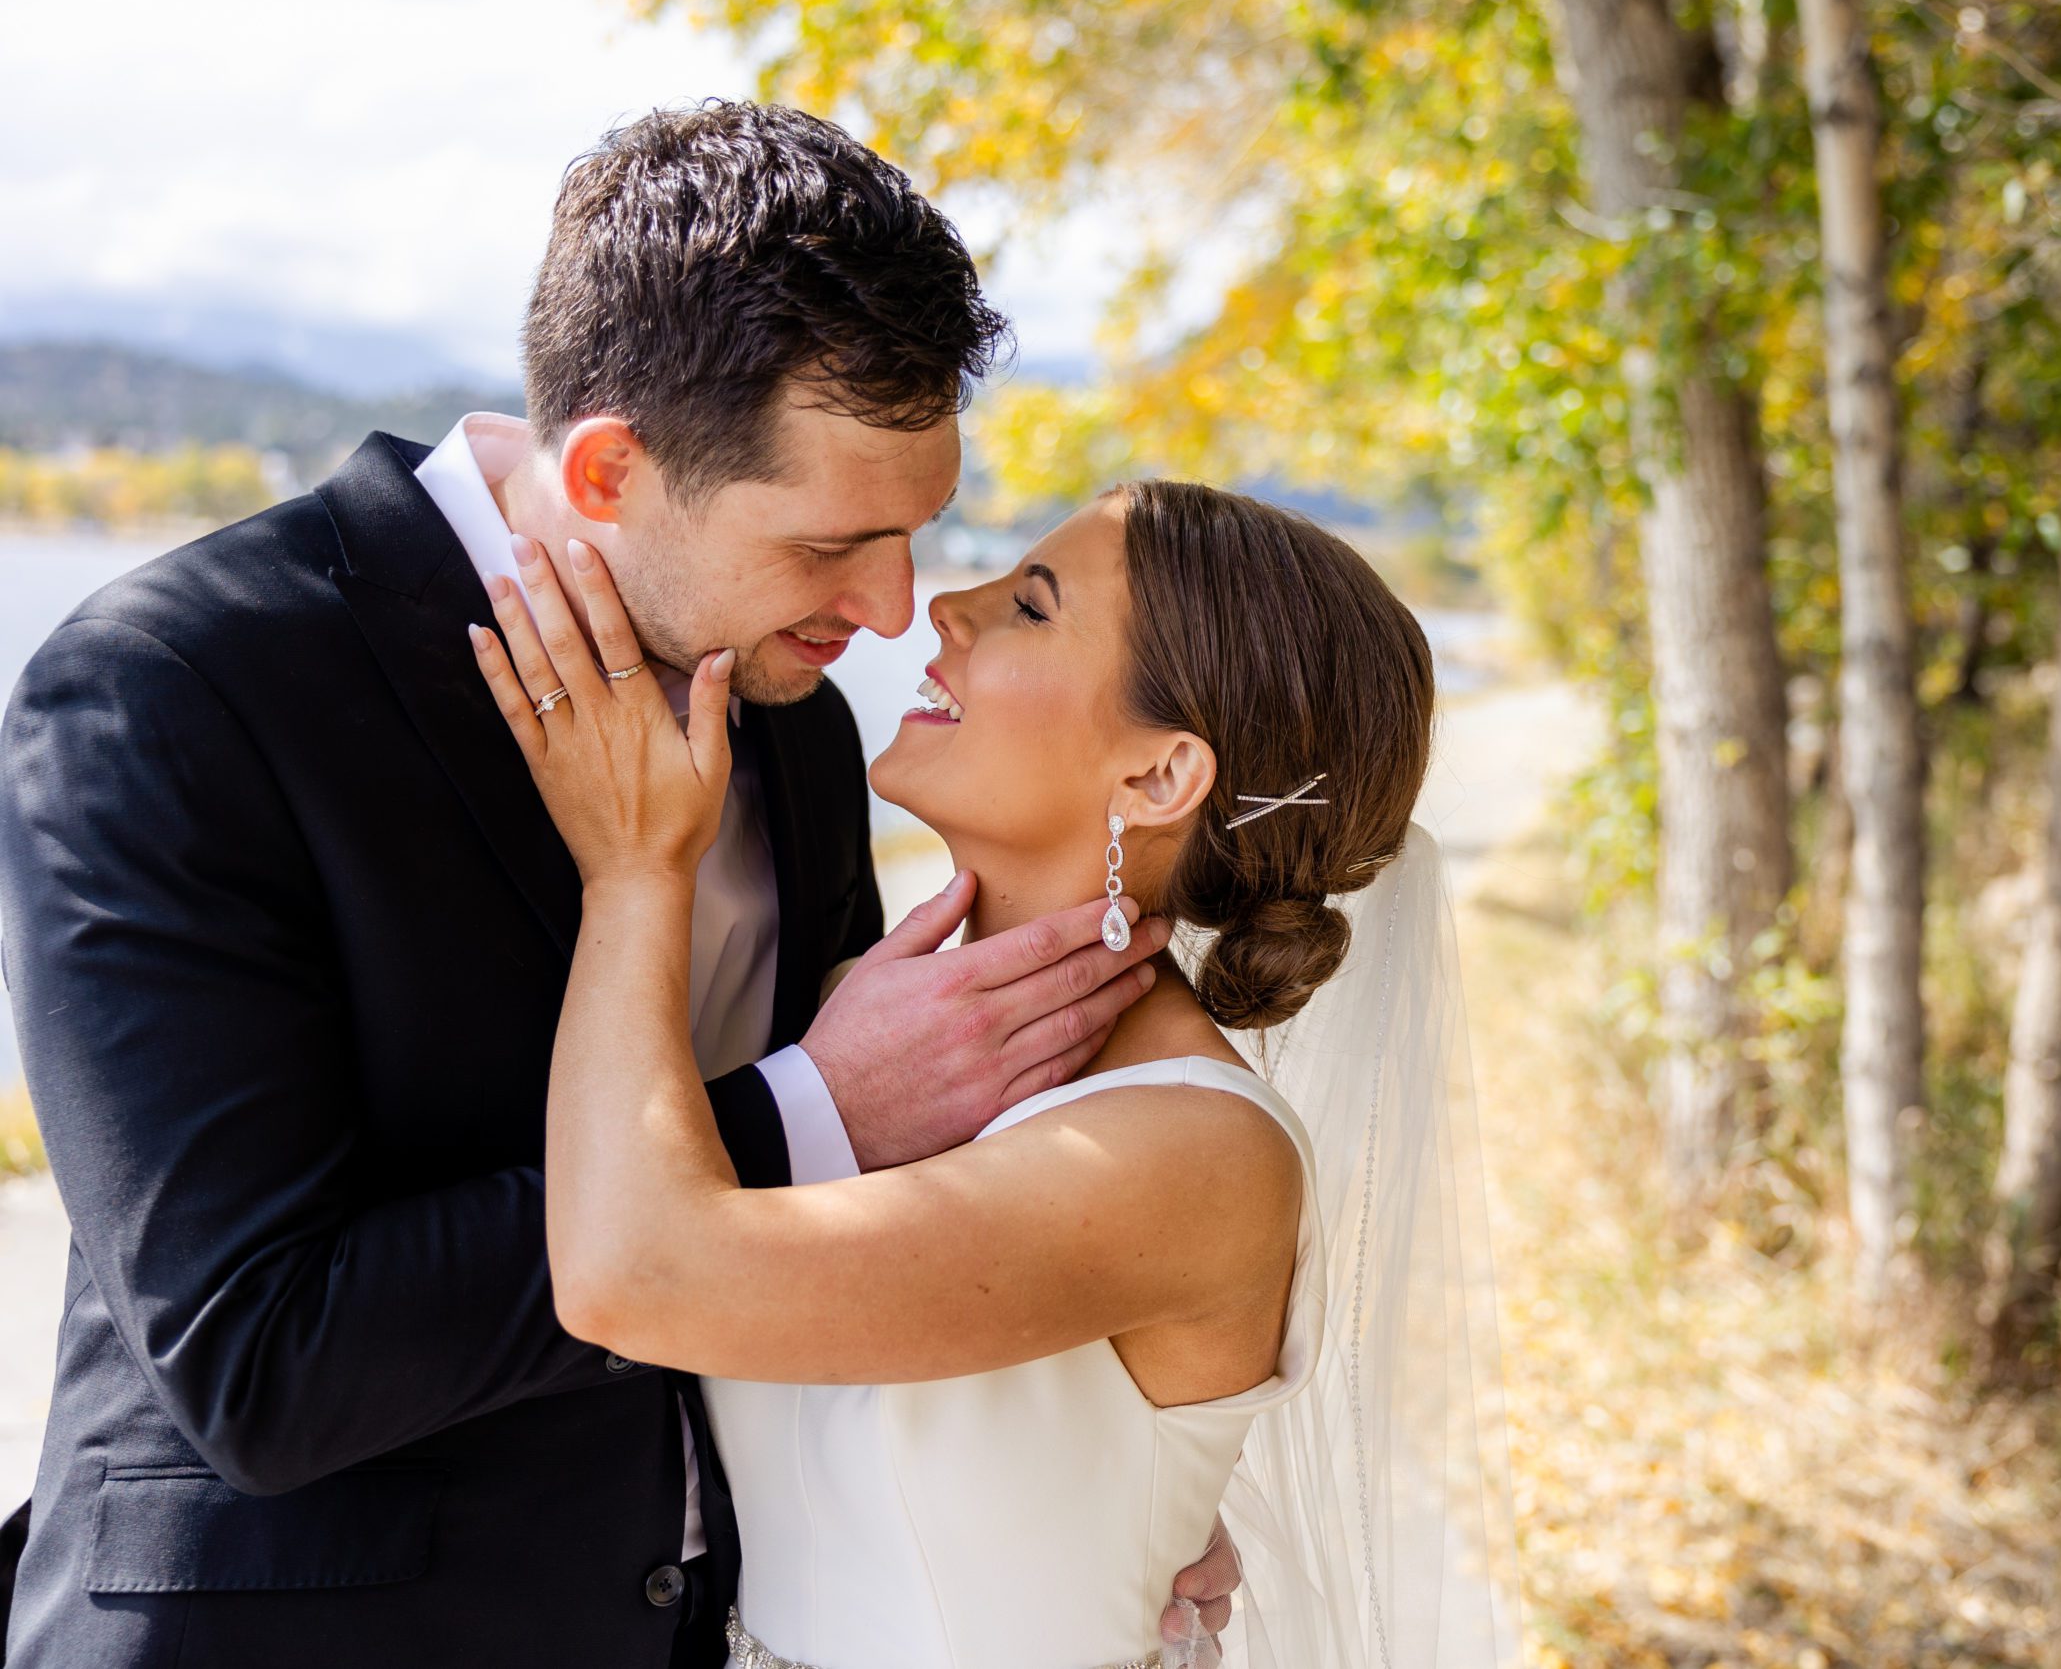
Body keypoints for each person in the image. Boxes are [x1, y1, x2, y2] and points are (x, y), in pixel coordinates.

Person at [0, 102, 1243, 1668]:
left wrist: (1082, 1488)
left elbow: (866, 1253)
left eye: (918, 532)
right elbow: (258, 1354)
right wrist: (807, 1108)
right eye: (833, 544)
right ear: (608, 470)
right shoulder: (178, 691)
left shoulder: (788, 716)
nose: (890, 607)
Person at [466, 476, 1488, 1669]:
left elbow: (631, 1281)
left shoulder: (1189, 1152)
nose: (947, 607)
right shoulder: (861, 1019)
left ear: (1159, 778)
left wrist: (637, 869)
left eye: (1032, 607)